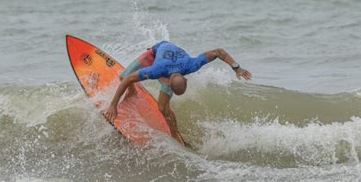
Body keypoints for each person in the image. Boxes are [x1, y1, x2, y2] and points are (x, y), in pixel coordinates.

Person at [104, 41, 252, 146]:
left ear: (185, 79)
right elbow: (128, 78)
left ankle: (175, 133)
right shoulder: (156, 70)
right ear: (168, 83)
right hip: (156, 52)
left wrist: (237, 68)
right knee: (124, 77)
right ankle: (132, 92)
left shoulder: (191, 65)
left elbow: (218, 51)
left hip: (173, 61)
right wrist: (113, 105)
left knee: (163, 108)